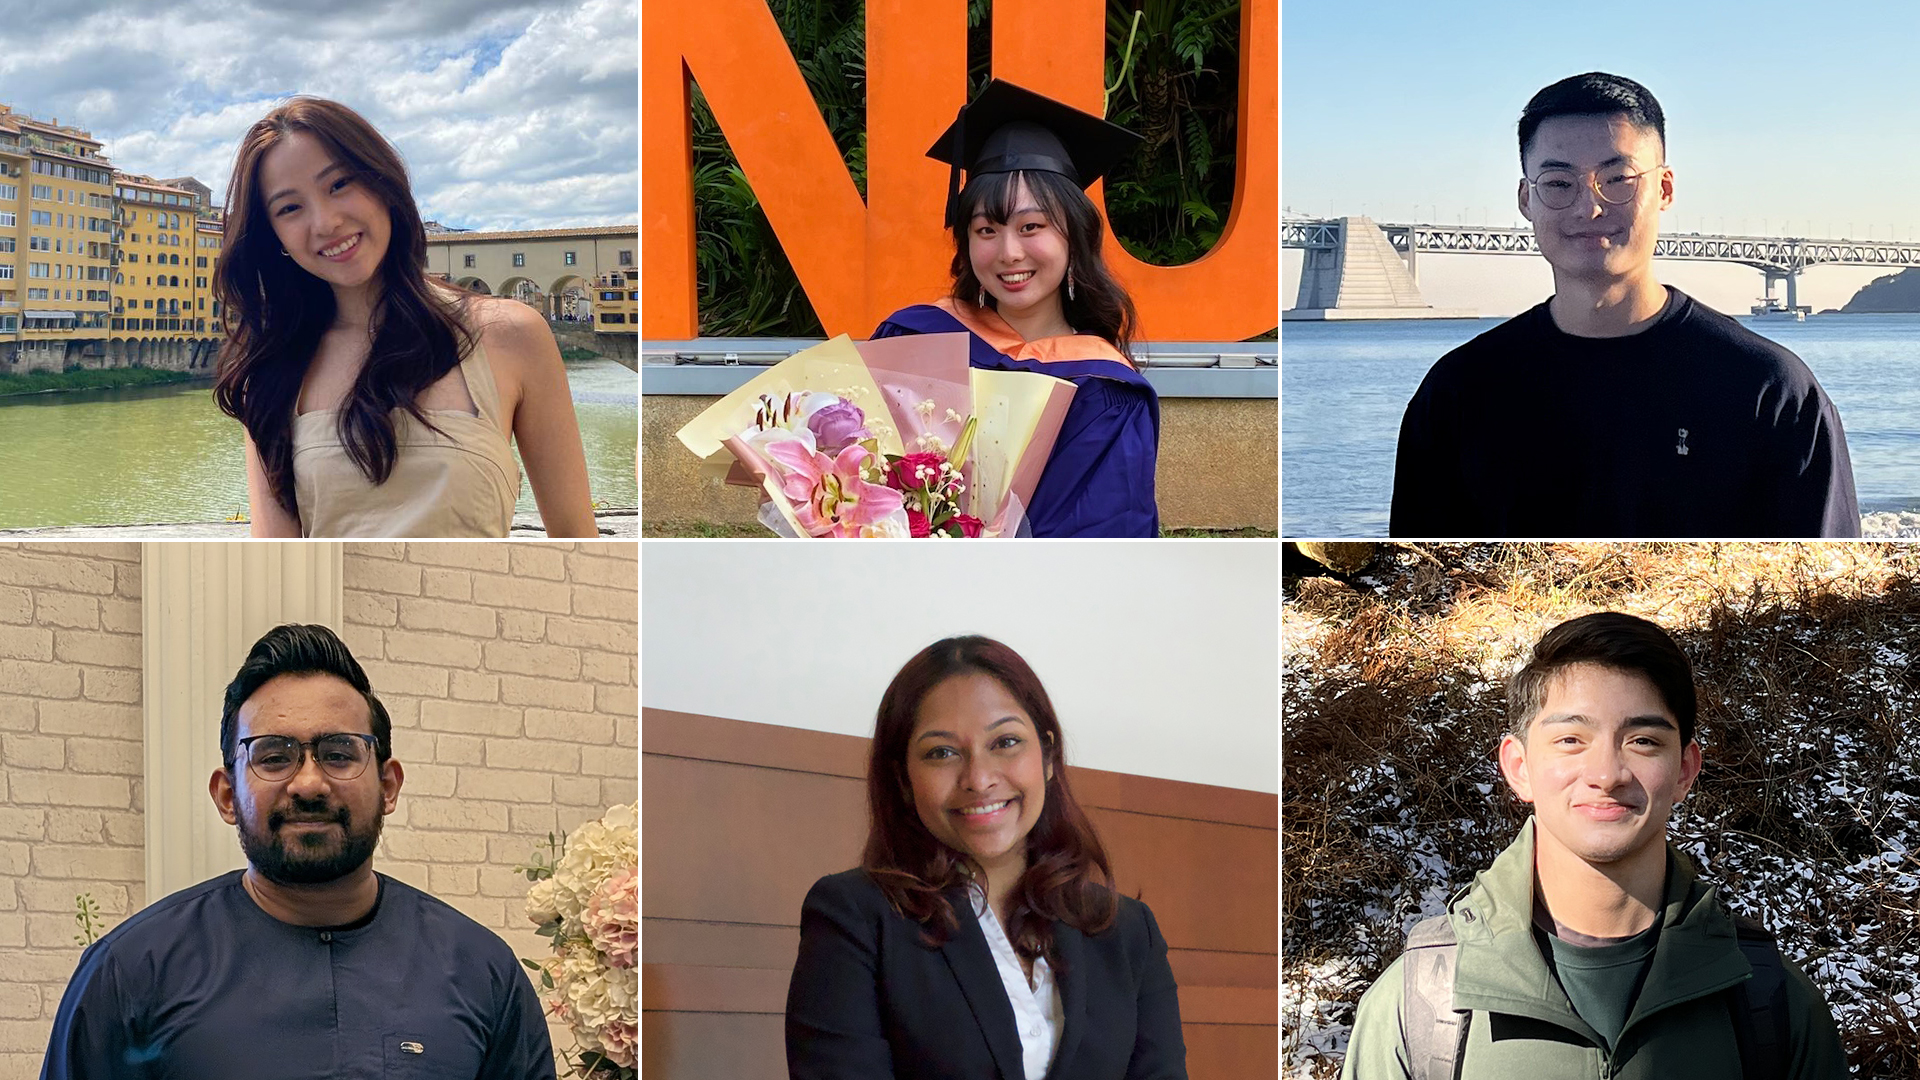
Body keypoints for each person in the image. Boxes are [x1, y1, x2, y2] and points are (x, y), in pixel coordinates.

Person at [1341, 612, 1847, 1079]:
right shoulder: (1422, 1007)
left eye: (1643, 741)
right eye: (1571, 740)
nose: (1606, 775)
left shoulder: (1768, 1003)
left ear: (1684, 770)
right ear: (1518, 767)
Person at [40, 624, 555, 1079]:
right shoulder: (131, 973)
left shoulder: (481, 972)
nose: (309, 783)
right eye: (273, 756)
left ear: (389, 785)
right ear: (226, 795)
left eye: (338, 753)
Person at [1389, 72, 1858, 539]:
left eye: (1618, 179)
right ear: (1526, 199)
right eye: (1558, 183)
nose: (1588, 208)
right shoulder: (1458, 392)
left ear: (1666, 189)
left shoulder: (1770, 388)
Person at [785, 636, 1186, 1079]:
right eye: (942, 753)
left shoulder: (1127, 931)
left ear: (1048, 757)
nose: (978, 779)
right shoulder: (854, 917)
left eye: (1006, 742)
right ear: (903, 778)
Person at [213, 97, 598, 538]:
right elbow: (276, 573)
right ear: (273, 235)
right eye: (289, 208)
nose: (326, 221)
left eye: (339, 184)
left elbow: (577, 543)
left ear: (383, 183)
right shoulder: (272, 370)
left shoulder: (512, 335)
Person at [873, 80, 1160, 537]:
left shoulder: (1104, 387)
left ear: (1076, 238)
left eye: (1031, 226)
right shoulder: (918, 339)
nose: (1008, 252)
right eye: (986, 230)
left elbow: (1104, 530)